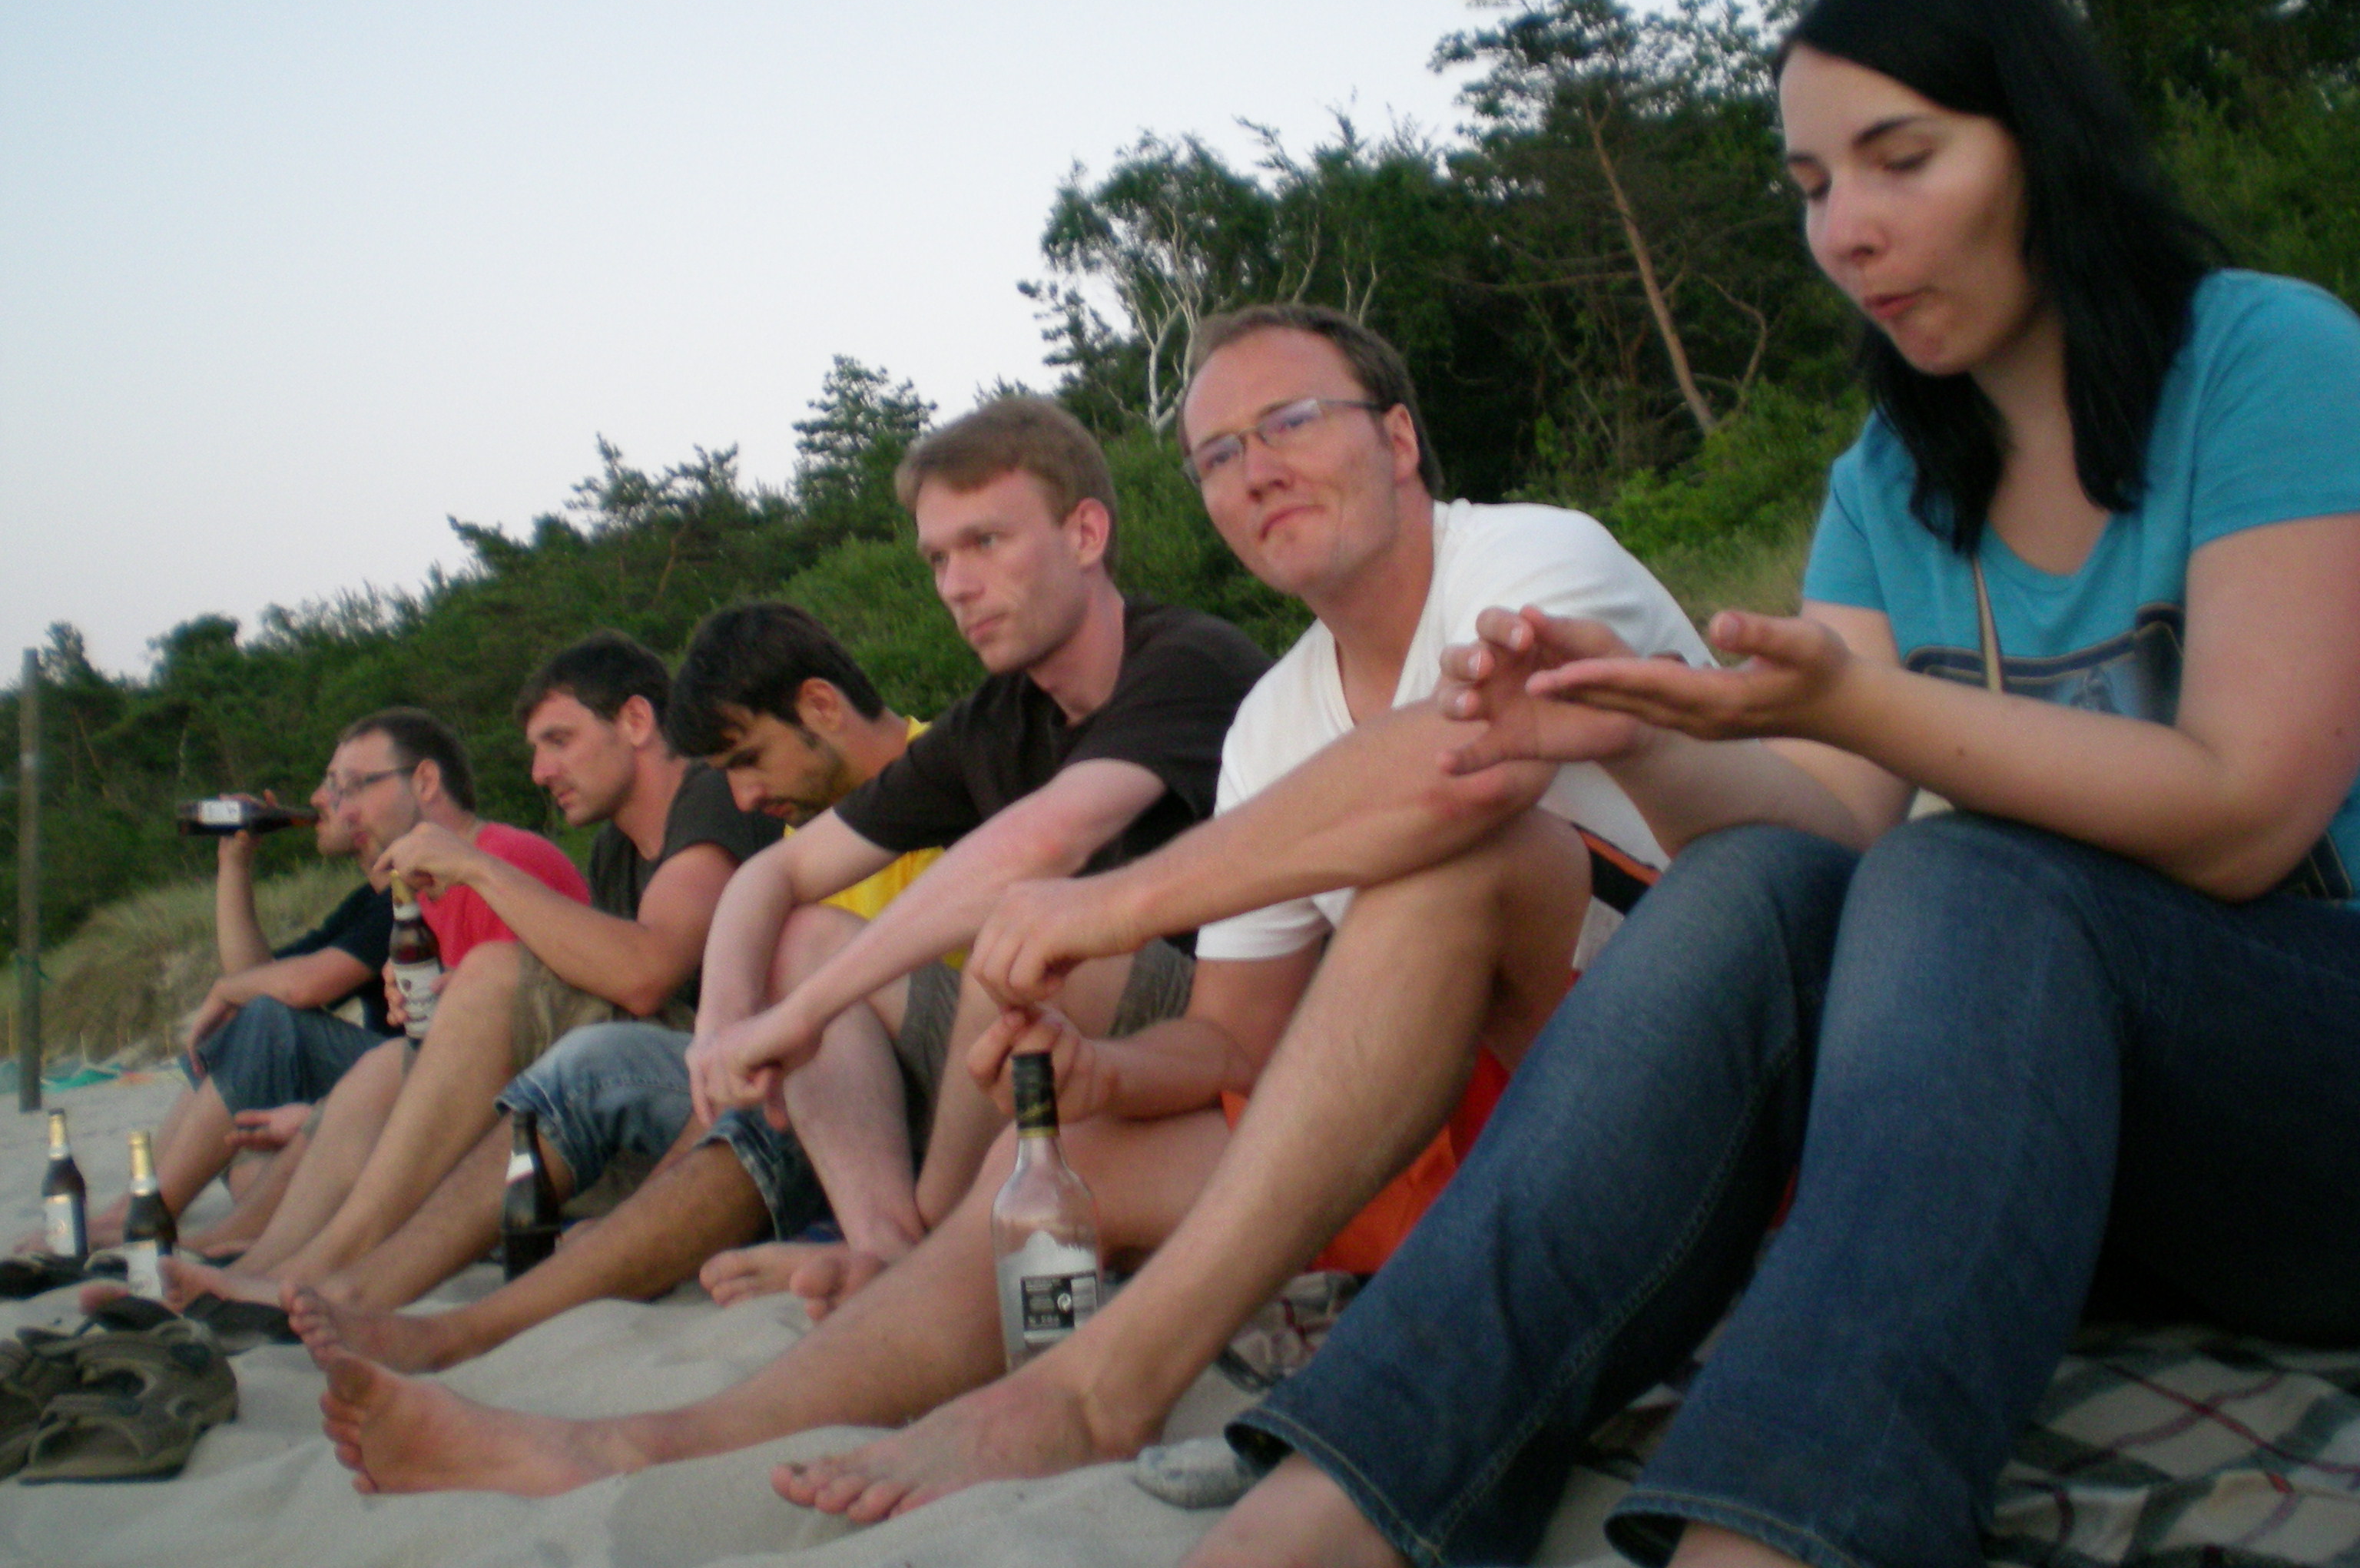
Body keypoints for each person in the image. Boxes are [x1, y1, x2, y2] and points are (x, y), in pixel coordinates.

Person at [1188, 0, 2360, 1568]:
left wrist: (1852, 704)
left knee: (1972, 870)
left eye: (1901, 158)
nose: (1845, 230)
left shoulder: (2261, 357)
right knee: (1754, 889)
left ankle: (1777, 1539)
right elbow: (1828, 827)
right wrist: (1656, 733)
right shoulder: (1893, 476)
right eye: (1811, 187)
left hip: (2310, 1097)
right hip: (2082, 1151)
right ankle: (1353, 1494)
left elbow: (2246, 815)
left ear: (2043, 138)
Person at [311, 320, 1748, 1505]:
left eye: (1292, 422)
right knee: (1062, 1158)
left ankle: (1096, 1386)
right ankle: (649, 1440)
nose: (1254, 469)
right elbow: (1233, 1038)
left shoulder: (1519, 561)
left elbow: (1453, 768)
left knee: (1456, 851)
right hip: (1461, 1121)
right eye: (1218, 453)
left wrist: (1092, 911)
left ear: (1400, 439)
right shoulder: (1276, 713)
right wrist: (1108, 1073)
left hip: (1694, 1096)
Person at [286, 603, 943, 1366]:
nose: (539, 772)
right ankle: (318, 1269)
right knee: (461, 1027)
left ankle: (387, 1292)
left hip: (856, 1094)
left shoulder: (747, 797)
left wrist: (477, 870)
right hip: (793, 1083)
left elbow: (646, 974)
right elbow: (751, 920)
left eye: (558, 741)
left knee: (566, 1030)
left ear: (635, 722)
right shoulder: (772, 832)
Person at [142, 708, 589, 1307]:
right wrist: (235, 864)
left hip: (531, 1122)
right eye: (334, 787)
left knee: (316, 1055)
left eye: (351, 786)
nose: (329, 801)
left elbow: (518, 1038)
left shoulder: (502, 861)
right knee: (260, 1136)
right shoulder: (414, 891)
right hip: (454, 1106)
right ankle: (243, 1255)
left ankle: (198, 1239)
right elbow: (262, 982)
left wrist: (320, 1110)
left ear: (424, 782)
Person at [70, 770, 396, 1252]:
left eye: (337, 787)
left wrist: (226, 991)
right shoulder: (367, 901)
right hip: (379, 1082)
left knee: (269, 1022)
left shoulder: (409, 894)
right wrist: (235, 863)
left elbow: (299, 988)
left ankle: (152, 1212)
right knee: (249, 1169)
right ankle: (139, 1204)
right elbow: (257, 978)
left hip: (410, 1084)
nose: (315, 798)